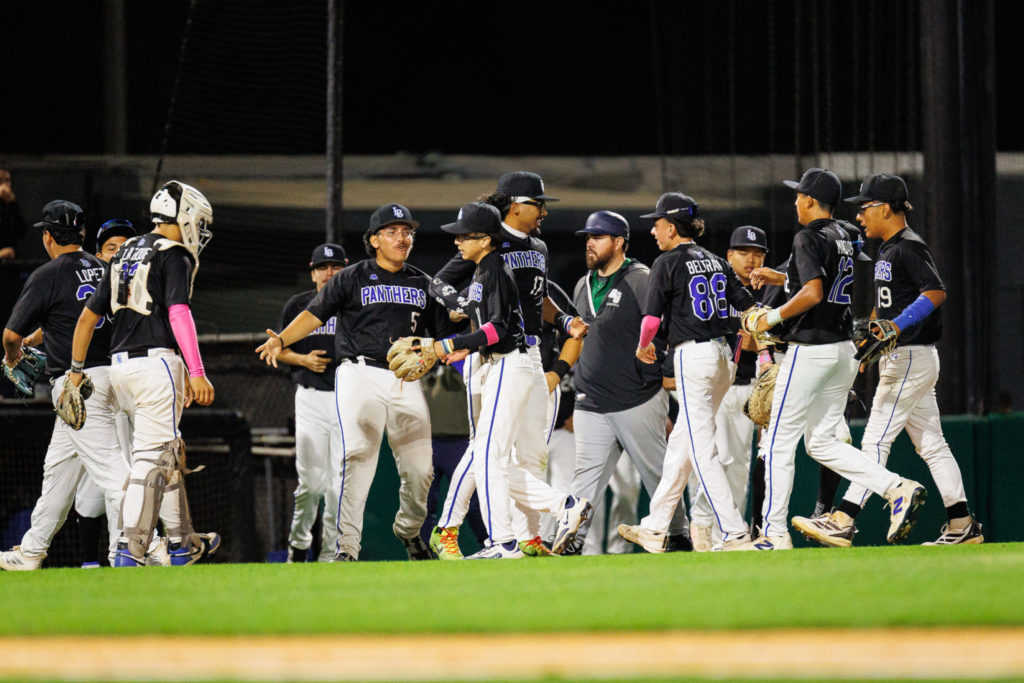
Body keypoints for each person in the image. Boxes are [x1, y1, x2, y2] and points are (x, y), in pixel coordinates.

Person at [792, 173, 983, 546]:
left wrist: (895, 326)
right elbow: (886, 303)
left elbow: (936, 291)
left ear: (883, 207)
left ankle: (843, 519)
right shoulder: (889, 248)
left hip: (909, 356)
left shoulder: (909, 246)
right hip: (911, 356)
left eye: (864, 208)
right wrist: (871, 342)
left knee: (874, 441)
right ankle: (962, 524)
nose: (860, 216)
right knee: (932, 444)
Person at [257, 203, 446, 562]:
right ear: (374, 240)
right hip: (359, 372)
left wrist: (448, 335)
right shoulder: (352, 277)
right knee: (356, 455)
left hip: (405, 379)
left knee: (421, 469)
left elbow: (443, 337)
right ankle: (346, 548)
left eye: (407, 231)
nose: (402, 237)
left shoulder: (422, 282)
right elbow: (314, 314)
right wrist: (281, 339)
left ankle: (408, 530)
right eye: (392, 232)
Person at [750, 167, 926, 549]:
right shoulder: (847, 232)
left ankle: (772, 534)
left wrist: (773, 315)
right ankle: (895, 486)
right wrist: (781, 277)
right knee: (822, 443)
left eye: (799, 195)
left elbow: (813, 292)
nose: (795, 200)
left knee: (780, 442)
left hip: (810, 349)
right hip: (843, 349)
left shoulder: (806, 236)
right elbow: (831, 275)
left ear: (810, 200)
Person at [427, 172, 586, 558]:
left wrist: (563, 320)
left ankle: (526, 536)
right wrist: (466, 309)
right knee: (485, 451)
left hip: (524, 354)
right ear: (515, 205)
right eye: (538, 203)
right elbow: (439, 284)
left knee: (526, 454)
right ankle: (451, 528)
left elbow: (537, 294)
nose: (544, 211)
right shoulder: (485, 240)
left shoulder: (536, 248)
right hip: (491, 357)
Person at [68, 180, 217, 567]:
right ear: (183, 216)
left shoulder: (124, 252)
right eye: (197, 222)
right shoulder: (174, 253)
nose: (198, 231)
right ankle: (128, 547)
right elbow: (178, 312)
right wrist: (196, 371)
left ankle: (184, 542)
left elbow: (88, 317)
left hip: (119, 369)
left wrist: (75, 372)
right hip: (155, 366)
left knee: (167, 451)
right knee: (152, 458)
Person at [618, 192, 759, 553]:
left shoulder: (667, 262)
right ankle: (655, 525)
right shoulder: (714, 259)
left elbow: (651, 319)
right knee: (682, 444)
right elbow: (748, 307)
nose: (653, 230)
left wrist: (642, 345)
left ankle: (735, 532)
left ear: (672, 225)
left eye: (658, 223)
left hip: (693, 359)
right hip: (724, 359)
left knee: (701, 452)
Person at [0, 201, 129, 570]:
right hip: (110, 375)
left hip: (77, 383)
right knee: (57, 471)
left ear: (47, 236)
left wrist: (13, 355)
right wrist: (32, 343)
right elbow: (68, 321)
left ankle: (141, 546)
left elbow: (10, 334)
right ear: (83, 234)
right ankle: (31, 551)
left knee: (112, 471)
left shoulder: (48, 274)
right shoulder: (102, 267)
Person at [566, 210, 690, 554]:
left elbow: (667, 327)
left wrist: (664, 371)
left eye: (598, 237)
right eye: (588, 237)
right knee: (584, 479)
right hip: (591, 401)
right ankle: (571, 540)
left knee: (656, 476)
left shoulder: (640, 278)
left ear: (619, 242)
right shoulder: (582, 284)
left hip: (636, 397)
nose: (590, 243)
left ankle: (678, 535)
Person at [687, 226, 768, 550]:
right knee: (717, 460)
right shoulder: (715, 290)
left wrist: (758, 346)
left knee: (738, 468)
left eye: (758, 254)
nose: (751, 259)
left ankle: (726, 537)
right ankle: (703, 521)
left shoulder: (768, 294)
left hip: (749, 389)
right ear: (729, 256)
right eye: (744, 253)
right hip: (717, 386)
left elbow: (769, 344)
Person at [274, 243, 347, 562]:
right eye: (323, 267)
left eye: (335, 267)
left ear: (345, 269)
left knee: (336, 488)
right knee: (311, 485)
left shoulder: (352, 305)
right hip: (311, 399)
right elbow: (276, 348)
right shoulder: (299, 304)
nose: (329, 273)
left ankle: (330, 555)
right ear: (313, 271)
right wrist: (303, 360)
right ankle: (299, 543)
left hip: (346, 402)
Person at [73, 218, 139, 568]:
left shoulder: (141, 284)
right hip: (100, 384)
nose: (119, 254)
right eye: (112, 248)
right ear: (98, 255)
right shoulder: (100, 288)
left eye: (126, 247)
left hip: (123, 385)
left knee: (120, 472)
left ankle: (119, 553)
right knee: (102, 479)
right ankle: (113, 555)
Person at [0, 168, 27, 260]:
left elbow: (22, 230)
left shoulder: (12, 203)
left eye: (7, 180)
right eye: (0, 180)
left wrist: (12, 202)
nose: (4, 184)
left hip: (11, 259)